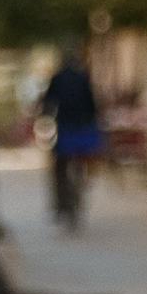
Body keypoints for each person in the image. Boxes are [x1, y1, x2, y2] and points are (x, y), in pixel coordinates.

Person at [39, 53, 104, 228]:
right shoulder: (84, 78)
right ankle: (79, 190)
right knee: (82, 162)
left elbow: (48, 103)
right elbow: (94, 104)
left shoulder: (58, 78)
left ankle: (62, 203)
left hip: (67, 129)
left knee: (60, 166)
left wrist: (44, 116)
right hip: (84, 129)